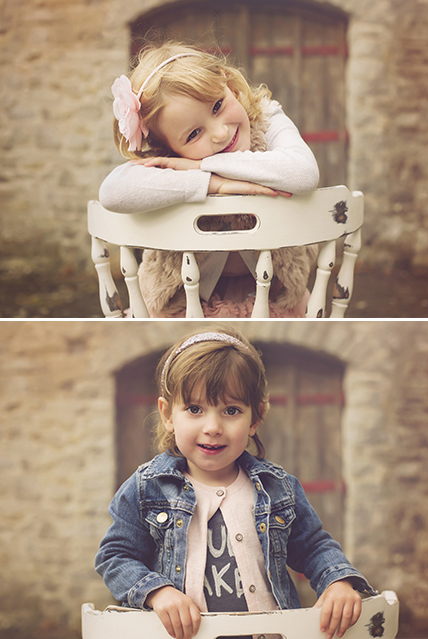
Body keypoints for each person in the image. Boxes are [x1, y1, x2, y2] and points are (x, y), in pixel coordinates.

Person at [96, 327, 372, 639]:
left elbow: (314, 547)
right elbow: (115, 556)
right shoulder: (147, 489)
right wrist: (156, 592)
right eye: (195, 409)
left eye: (231, 410)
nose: (212, 427)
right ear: (167, 415)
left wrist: (337, 580)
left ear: (255, 418)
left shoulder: (277, 489)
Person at [100, 42, 321, 317]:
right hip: (185, 303)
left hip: (273, 297)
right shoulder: (164, 164)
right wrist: (211, 183)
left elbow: (304, 173)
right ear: (165, 149)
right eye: (193, 135)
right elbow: (112, 192)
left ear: (229, 85)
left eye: (218, 105)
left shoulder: (266, 116)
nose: (219, 133)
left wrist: (201, 163)